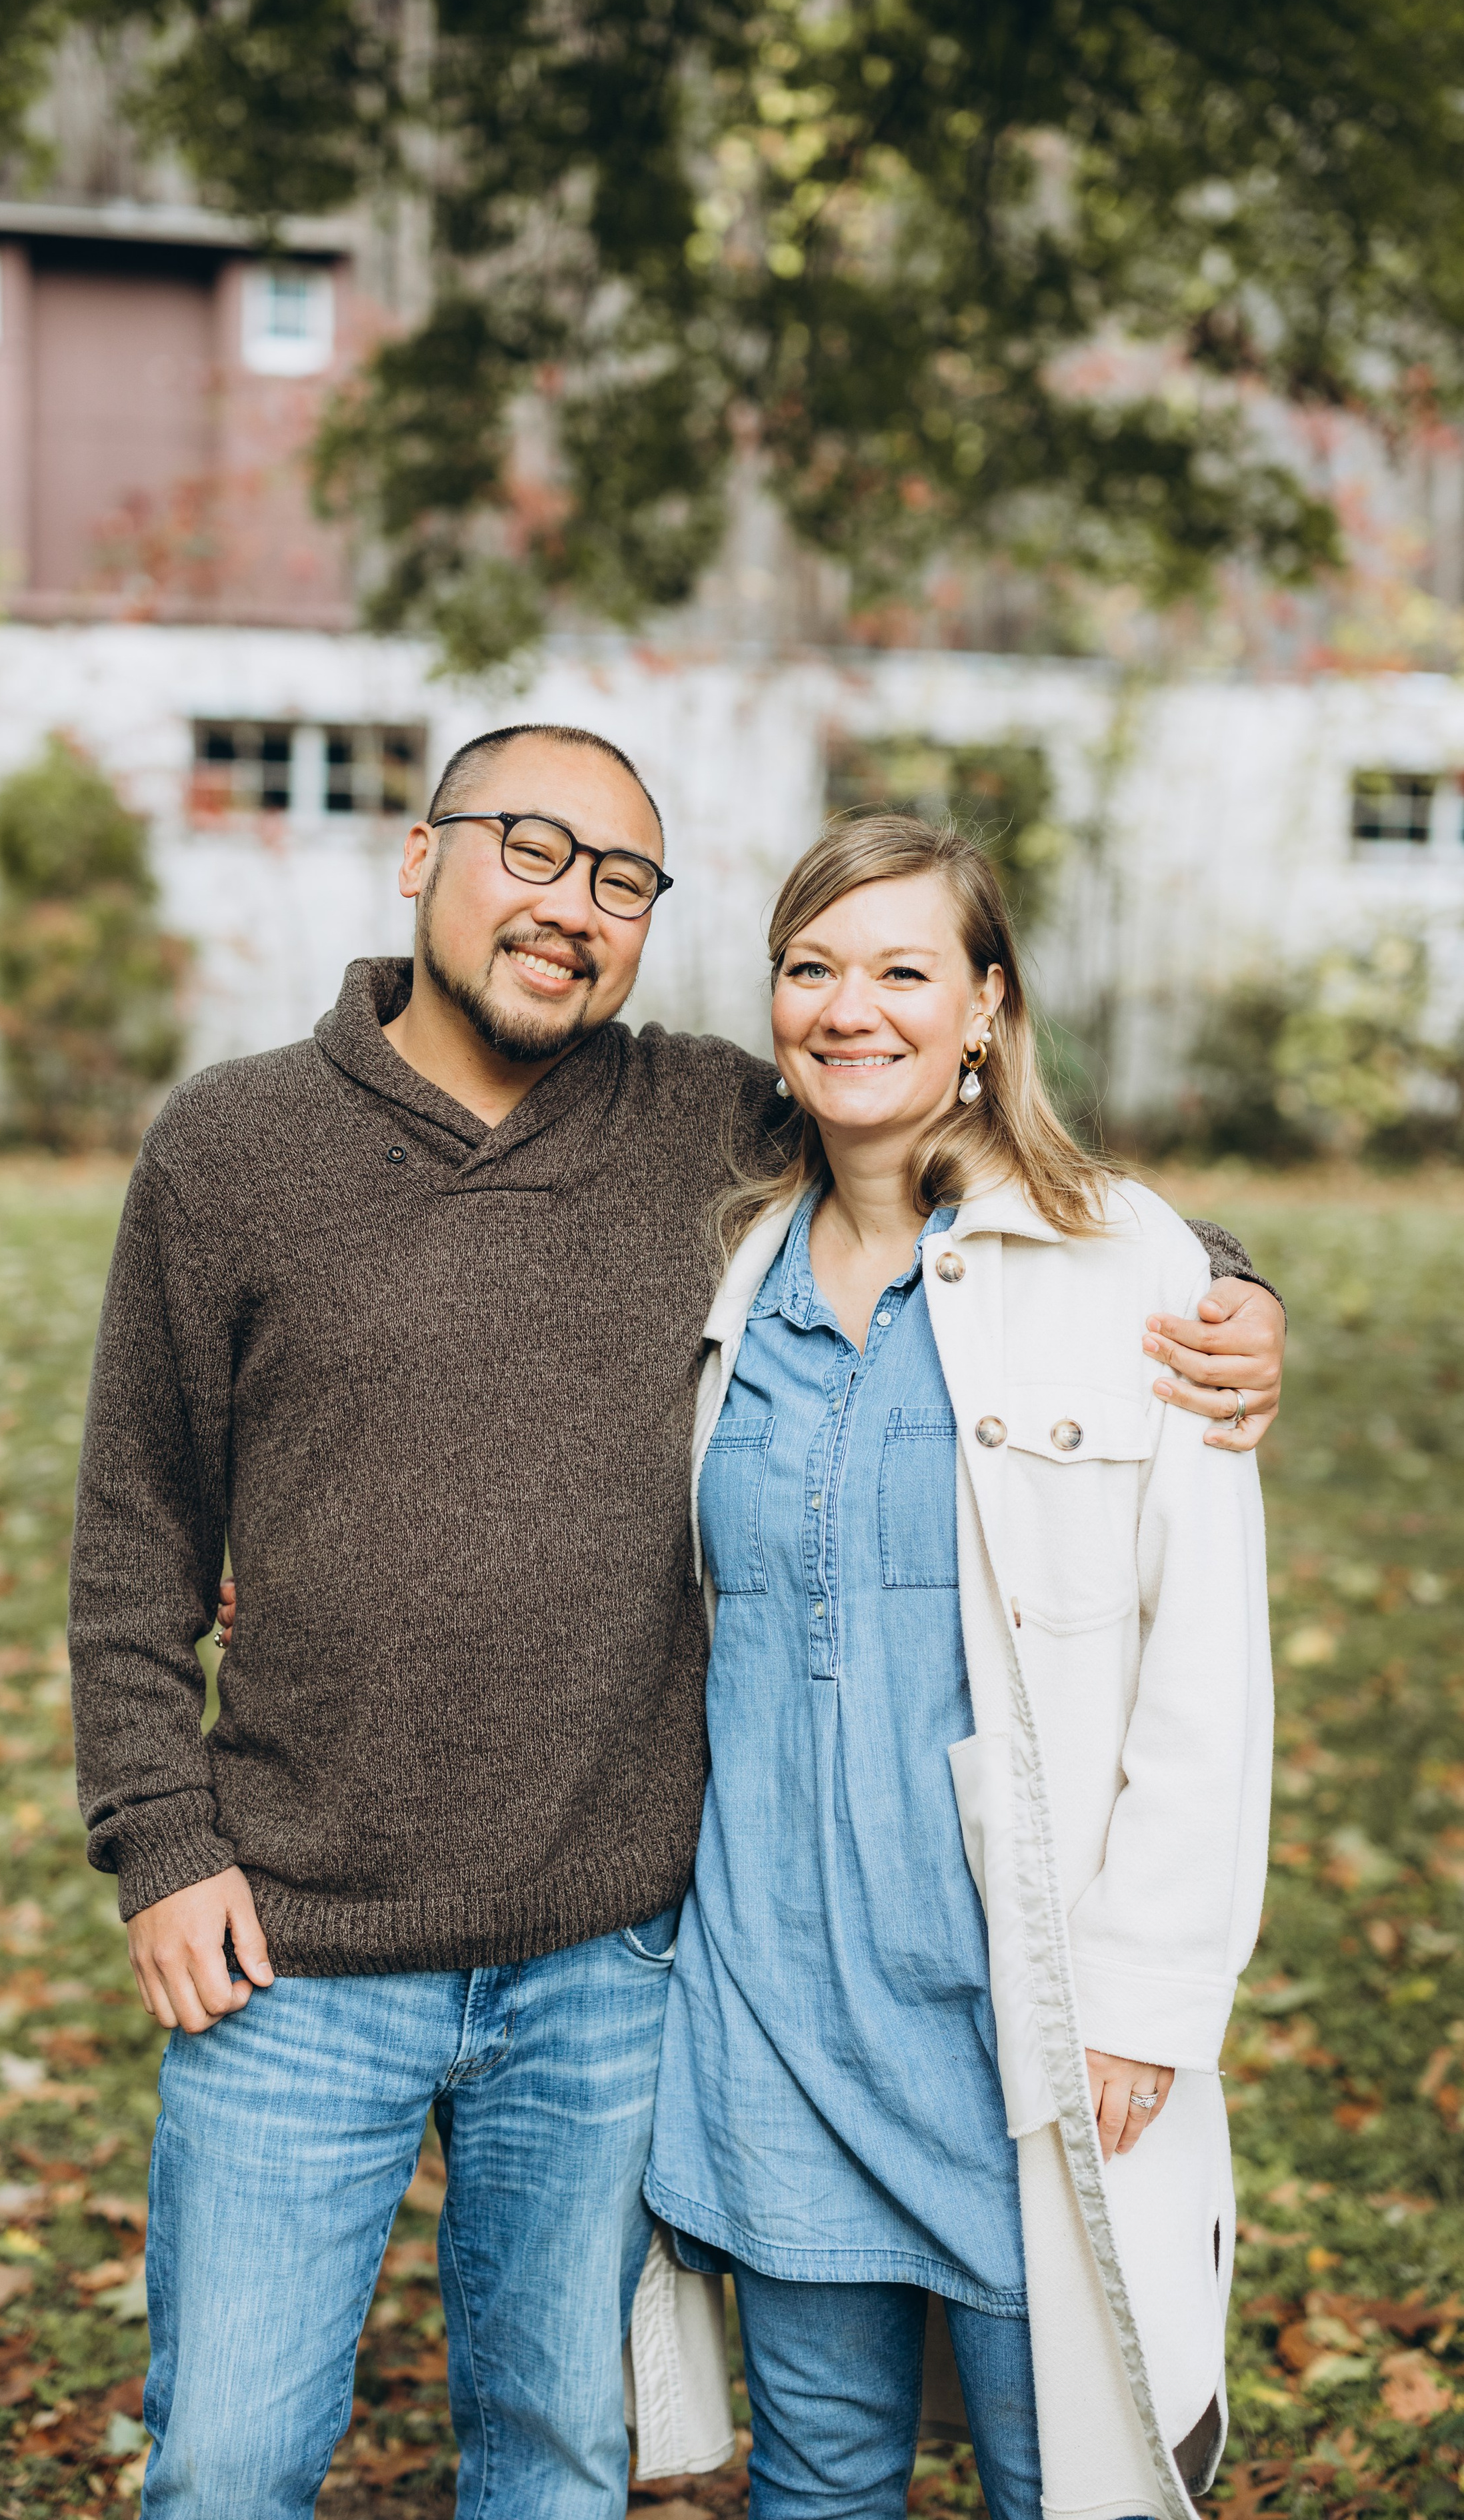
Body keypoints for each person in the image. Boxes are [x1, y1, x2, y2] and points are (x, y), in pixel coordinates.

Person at [67, 724, 1286, 2520]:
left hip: (606, 1957)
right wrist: (158, 1838)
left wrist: (1233, 1289)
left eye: (623, 880)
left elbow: (991, 1181)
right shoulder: (233, 1148)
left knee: (562, 2457)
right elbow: (134, 1528)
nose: (572, 909)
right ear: (421, 858)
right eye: (530, 851)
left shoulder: (703, 1119)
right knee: (229, 2461)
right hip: (299, 1944)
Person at [641, 810, 1273, 2520]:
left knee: (1058, 2478)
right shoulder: (725, 1269)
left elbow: (1202, 1669)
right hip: (772, 1986)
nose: (851, 1009)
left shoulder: (1123, 1264)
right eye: (810, 967)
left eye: (902, 969)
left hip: (1018, 2019)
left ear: (984, 1006)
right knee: (820, 2478)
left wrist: (1141, 2001)